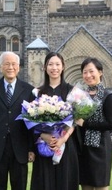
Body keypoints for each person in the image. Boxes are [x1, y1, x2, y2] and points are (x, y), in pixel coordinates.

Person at [0, 51, 35, 190]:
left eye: (14, 64)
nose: (10, 67)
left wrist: (31, 148)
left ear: (19, 67)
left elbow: (32, 123)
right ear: (0, 67)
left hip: (20, 149)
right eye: (7, 64)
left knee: (20, 186)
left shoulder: (29, 90)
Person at [30, 52, 79, 190]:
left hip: (66, 146)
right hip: (44, 147)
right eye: (50, 64)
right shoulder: (37, 92)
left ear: (63, 67)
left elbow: (76, 119)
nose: (54, 68)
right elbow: (30, 119)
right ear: (45, 67)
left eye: (57, 64)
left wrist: (63, 138)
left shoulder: (72, 91)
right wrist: (43, 135)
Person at [74, 57, 112, 190]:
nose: (88, 75)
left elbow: (111, 124)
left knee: (101, 186)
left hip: (101, 149)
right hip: (83, 148)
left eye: (91, 71)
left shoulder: (108, 96)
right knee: (85, 186)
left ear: (100, 72)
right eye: (85, 72)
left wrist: (85, 123)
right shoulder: (80, 96)